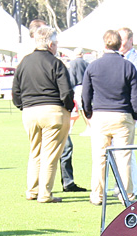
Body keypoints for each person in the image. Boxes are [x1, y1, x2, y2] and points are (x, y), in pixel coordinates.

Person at [81, 29, 137, 205]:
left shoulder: (93, 66)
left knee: (99, 157)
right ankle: (126, 194)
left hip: (100, 115)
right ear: (119, 44)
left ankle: (97, 195)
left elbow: (86, 94)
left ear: (104, 43)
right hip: (122, 114)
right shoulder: (128, 66)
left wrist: (88, 113)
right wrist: (135, 114)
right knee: (124, 156)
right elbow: (135, 95)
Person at [12, 25, 73, 204]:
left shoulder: (24, 62)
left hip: (30, 111)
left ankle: (32, 189)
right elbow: (66, 92)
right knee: (50, 154)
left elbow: (15, 91)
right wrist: (68, 108)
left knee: (35, 152)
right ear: (51, 44)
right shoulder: (56, 63)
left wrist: (22, 106)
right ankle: (45, 193)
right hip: (53, 110)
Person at [118, 28, 137, 196]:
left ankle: (131, 188)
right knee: (121, 151)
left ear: (130, 40)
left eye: (122, 40)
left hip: (131, 110)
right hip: (120, 110)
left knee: (126, 151)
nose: (120, 44)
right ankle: (122, 185)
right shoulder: (120, 59)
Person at [59, 50, 88, 194]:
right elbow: (65, 90)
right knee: (66, 147)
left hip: (34, 111)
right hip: (55, 112)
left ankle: (37, 187)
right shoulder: (58, 66)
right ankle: (67, 182)